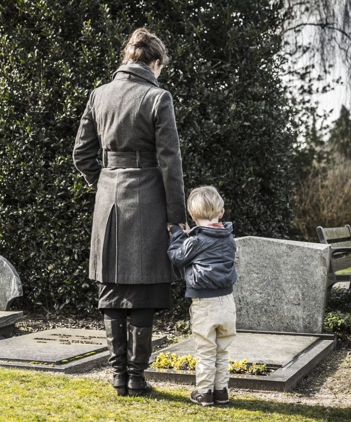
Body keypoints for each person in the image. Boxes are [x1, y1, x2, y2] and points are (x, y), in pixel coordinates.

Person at [73, 28, 186, 397]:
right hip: (149, 199)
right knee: (143, 291)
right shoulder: (158, 97)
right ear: (154, 63)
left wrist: (105, 181)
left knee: (113, 287)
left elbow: (81, 155)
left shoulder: (99, 94)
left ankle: (119, 376)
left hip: (108, 200)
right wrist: (176, 215)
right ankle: (136, 378)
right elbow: (170, 162)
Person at [167, 186, 237, 406]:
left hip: (204, 303)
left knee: (206, 349)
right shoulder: (229, 238)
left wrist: (178, 235)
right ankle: (221, 391)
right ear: (222, 212)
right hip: (227, 302)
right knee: (222, 350)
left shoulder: (196, 241)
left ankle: (205, 392)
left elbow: (178, 257)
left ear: (193, 216)